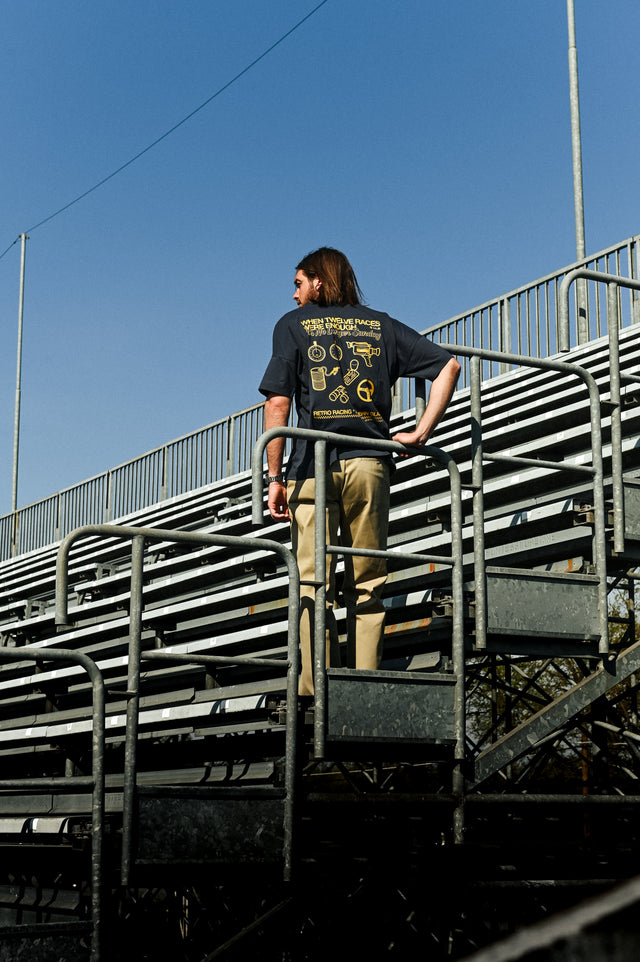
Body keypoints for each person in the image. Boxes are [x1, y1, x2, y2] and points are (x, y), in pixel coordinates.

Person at [259, 247, 460, 696]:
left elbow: (277, 403)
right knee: (368, 581)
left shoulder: (293, 325)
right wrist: (420, 433)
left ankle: (317, 691)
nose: (293, 295)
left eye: (298, 283)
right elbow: (449, 365)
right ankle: (364, 688)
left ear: (320, 282)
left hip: (312, 465)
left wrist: (273, 478)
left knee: (313, 582)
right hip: (369, 463)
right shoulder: (381, 324)